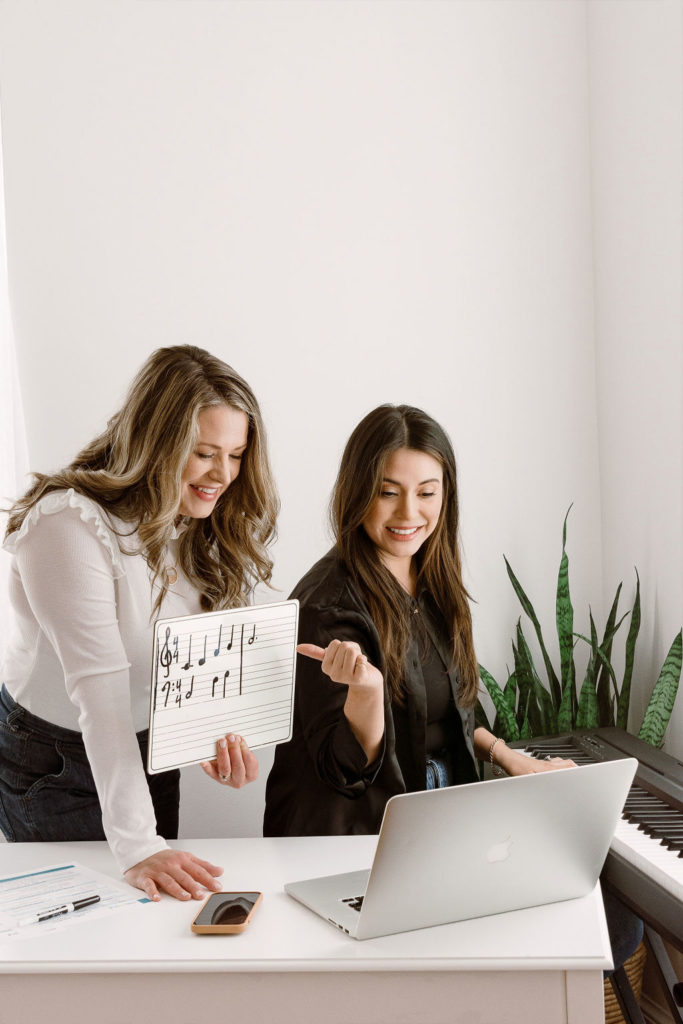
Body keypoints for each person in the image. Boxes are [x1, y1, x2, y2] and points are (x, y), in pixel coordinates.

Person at [0, 345, 278, 902]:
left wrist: (204, 737)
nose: (222, 475)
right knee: (88, 937)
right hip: (58, 759)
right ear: (157, 444)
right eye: (203, 453)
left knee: (152, 916)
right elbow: (100, 694)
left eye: (237, 454)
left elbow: (182, 661)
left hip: (142, 749)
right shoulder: (67, 525)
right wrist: (138, 845)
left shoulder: (194, 520)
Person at [264, 404, 572, 839]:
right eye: (388, 492)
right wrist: (367, 693)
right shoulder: (325, 605)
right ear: (358, 493)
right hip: (353, 837)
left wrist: (509, 757)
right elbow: (344, 769)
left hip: (436, 810)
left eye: (426, 493)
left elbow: (445, 714)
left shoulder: (432, 577)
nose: (409, 513)